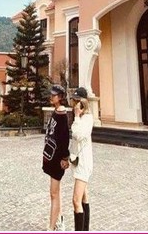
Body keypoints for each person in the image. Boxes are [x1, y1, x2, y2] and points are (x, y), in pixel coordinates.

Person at [43, 85, 70, 231]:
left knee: (53, 193)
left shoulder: (62, 114)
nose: (51, 97)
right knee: (55, 192)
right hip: (51, 157)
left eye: (53, 95)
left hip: (57, 159)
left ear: (60, 97)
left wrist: (65, 158)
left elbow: (64, 139)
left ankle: (51, 227)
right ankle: (59, 220)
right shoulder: (56, 111)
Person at [69, 87, 93, 231]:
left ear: (83, 103)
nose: (74, 104)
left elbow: (78, 135)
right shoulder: (81, 118)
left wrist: (77, 116)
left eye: (77, 101)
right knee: (84, 197)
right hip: (79, 161)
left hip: (84, 164)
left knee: (76, 201)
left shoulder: (87, 118)